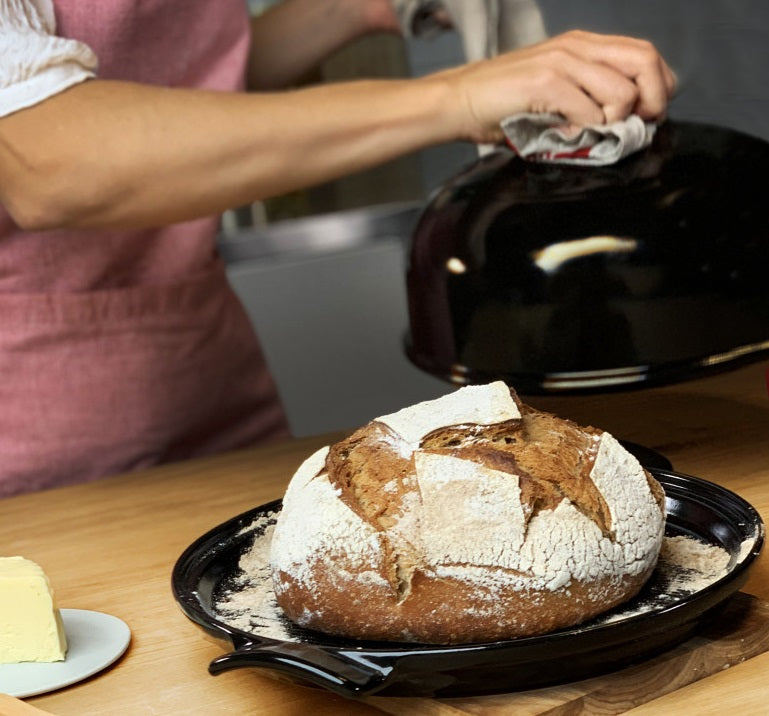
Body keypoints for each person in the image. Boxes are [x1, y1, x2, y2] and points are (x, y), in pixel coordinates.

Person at [0, 0, 675, 498]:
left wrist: (355, 7)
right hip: (37, 462)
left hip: (208, 378)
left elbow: (175, 80)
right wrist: (454, 97)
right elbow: (49, 159)